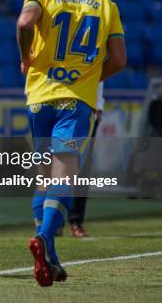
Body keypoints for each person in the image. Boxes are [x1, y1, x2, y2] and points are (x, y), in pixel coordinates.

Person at [16, 0, 126, 287]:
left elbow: (24, 22)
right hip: (75, 101)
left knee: (44, 174)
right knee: (66, 173)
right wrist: (89, 77)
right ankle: (45, 239)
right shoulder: (105, 4)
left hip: (39, 98)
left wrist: (25, 57)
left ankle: (50, 256)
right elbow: (119, 59)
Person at [68, 81, 104, 237]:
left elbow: (100, 71)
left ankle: (76, 221)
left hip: (87, 107)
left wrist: (99, 103)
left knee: (82, 168)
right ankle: (54, 221)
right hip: (58, 104)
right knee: (56, 166)